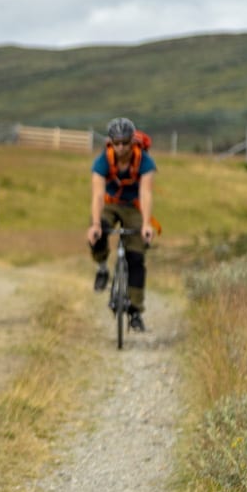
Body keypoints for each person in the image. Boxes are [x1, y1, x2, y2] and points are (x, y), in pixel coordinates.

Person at [86, 117, 157, 332]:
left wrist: (146, 224)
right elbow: (98, 195)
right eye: (116, 143)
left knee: (136, 256)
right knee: (97, 233)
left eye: (125, 142)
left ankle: (135, 311)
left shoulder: (145, 162)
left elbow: (146, 193)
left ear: (132, 141)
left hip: (134, 206)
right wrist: (96, 224)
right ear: (110, 142)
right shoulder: (102, 161)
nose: (120, 147)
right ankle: (101, 268)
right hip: (109, 203)